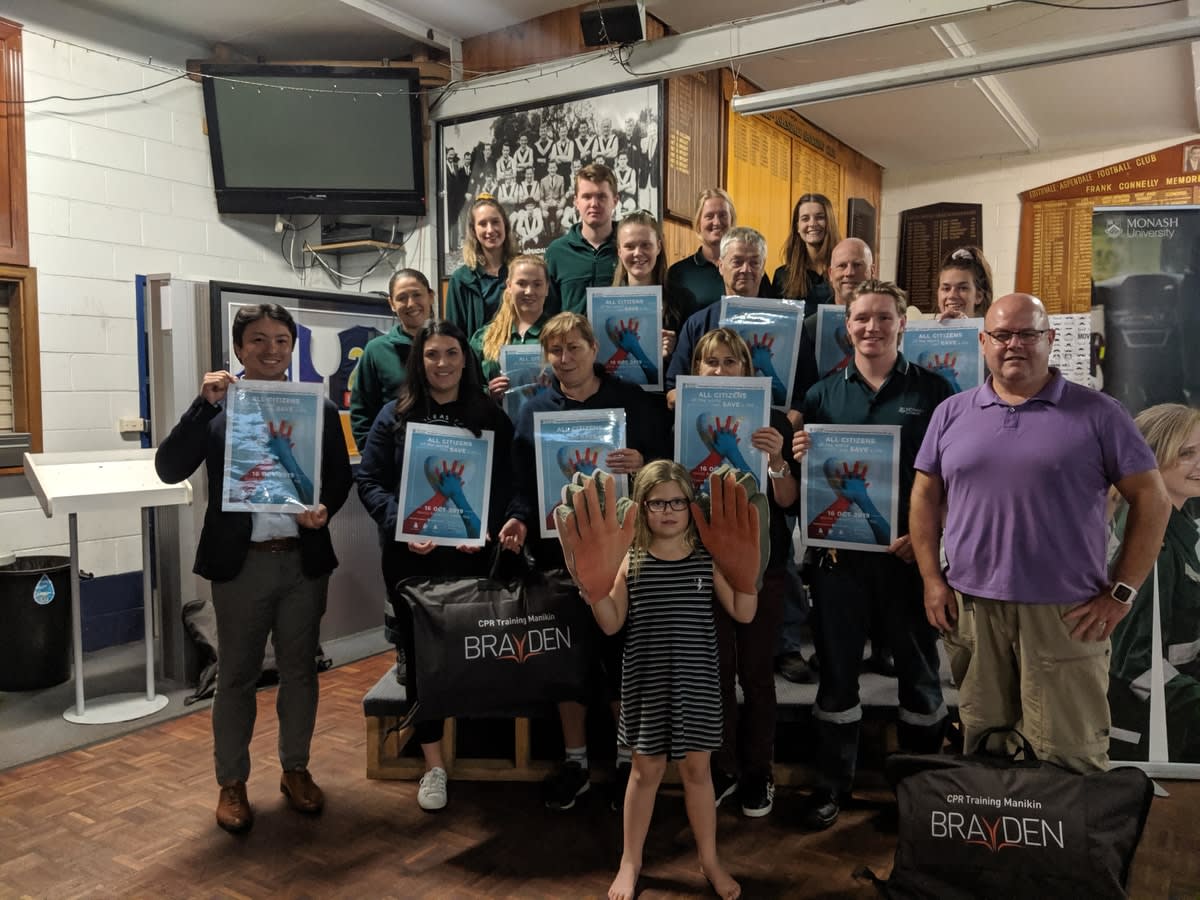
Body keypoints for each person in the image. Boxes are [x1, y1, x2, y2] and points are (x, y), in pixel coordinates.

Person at [910, 292, 1171, 775]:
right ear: (983, 342)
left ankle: (1071, 828)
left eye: (1027, 334)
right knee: (985, 743)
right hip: (974, 608)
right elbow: (924, 497)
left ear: (1049, 339)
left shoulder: (1100, 413)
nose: (1014, 344)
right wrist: (931, 579)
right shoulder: (951, 412)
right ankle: (997, 826)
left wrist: (1121, 592)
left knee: (1069, 754)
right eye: (1002, 335)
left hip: (1066, 613)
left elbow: (1153, 500)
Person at [154, 303, 353, 834]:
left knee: (300, 672)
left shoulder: (317, 407)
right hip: (241, 565)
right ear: (239, 348)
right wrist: (201, 405)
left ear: (293, 347)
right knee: (236, 676)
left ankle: (296, 769)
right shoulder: (219, 408)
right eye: (259, 340)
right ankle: (232, 783)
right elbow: (169, 468)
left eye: (282, 340)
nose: (271, 350)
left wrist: (324, 509)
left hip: (302, 562)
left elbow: (338, 478)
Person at [792, 279, 953, 830]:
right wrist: (801, 454)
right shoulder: (820, 395)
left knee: (920, 678)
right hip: (840, 565)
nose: (872, 328)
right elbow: (810, 485)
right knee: (837, 677)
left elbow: (953, 478)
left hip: (910, 561)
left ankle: (920, 795)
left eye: (884, 317)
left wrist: (929, 536)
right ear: (847, 326)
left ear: (902, 324)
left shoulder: (935, 391)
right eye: (862, 318)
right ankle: (831, 786)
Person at [499, 312, 669, 811]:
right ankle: (574, 762)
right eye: (556, 350)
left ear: (594, 348)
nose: (565, 358)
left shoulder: (630, 402)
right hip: (557, 554)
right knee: (566, 660)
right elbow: (522, 483)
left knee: (620, 659)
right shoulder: (534, 411)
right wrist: (519, 519)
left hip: (624, 553)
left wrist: (642, 463)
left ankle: (625, 761)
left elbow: (668, 469)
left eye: (574, 347)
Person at [564, 465, 758, 900]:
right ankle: (630, 860)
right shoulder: (630, 559)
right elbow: (611, 623)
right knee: (645, 771)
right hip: (646, 682)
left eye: (676, 502)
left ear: (690, 506)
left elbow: (744, 613)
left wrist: (748, 578)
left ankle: (710, 859)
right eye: (657, 503)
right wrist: (594, 591)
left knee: (697, 772)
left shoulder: (707, 557)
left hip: (698, 681)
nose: (667, 511)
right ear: (642, 506)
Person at [356, 320, 516, 813]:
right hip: (411, 559)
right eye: (431, 354)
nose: (442, 363)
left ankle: (476, 743)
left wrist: (485, 527)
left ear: (465, 359)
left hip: (472, 557)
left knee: (472, 653)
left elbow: (509, 486)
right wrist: (401, 524)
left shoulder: (490, 416)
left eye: (451, 353)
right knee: (421, 659)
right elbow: (369, 481)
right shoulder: (394, 415)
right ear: (418, 361)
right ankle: (433, 764)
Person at [687, 329, 800, 818]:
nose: (720, 370)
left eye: (730, 362)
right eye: (710, 362)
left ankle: (758, 772)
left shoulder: (773, 421)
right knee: (714, 675)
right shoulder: (682, 419)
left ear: (748, 370)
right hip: (701, 562)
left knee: (756, 674)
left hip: (761, 563)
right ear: (696, 369)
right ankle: (723, 768)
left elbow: (788, 502)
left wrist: (776, 460)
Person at [1108, 403, 1200, 762]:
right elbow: (1135, 663)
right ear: (1150, 458)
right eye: (1186, 454)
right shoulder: (1151, 543)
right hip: (1148, 736)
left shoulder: (1177, 526)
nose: (1199, 463)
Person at [666, 227, 786, 401]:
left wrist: (793, 414)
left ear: (763, 267)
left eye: (754, 262)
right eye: (737, 262)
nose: (746, 269)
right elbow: (672, 389)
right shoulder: (698, 323)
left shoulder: (787, 323)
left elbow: (803, 391)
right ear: (721, 266)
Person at [348, 269, 434, 452]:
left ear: (431, 296)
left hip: (445, 454)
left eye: (417, 295)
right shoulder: (376, 351)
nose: (411, 303)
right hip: (393, 459)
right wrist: (372, 455)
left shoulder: (453, 346)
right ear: (392, 304)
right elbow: (361, 411)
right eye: (402, 298)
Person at [667, 188, 766, 318]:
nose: (717, 222)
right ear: (698, 223)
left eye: (723, 215)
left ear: (732, 220)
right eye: (709, 216)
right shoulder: (679, 273)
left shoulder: (752, 272)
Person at [611, 209, 685, 367]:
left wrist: (675, 351)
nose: (638, 253)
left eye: (645, 245)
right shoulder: (604, 304)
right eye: (629, 246)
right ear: (619, 251)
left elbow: (689, 362)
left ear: (658, 247)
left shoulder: (682, 301)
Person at [545, 163, 619, 316]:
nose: (594, 204)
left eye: (601, 196)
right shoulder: (557, 252)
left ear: (615, 201)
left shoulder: (630, 249)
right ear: (576, 202)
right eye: (586, 197)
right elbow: (548, 315)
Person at [445, 196, 518, 343]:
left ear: (505, 225)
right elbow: (453, 335)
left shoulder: (524, 270)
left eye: (495, 222)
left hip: (521, 354)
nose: (490, 230)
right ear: (473, 230)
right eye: (483, 224)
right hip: (478, 356)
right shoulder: (461, 279)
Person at [471, 254, 551, 388]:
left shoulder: (560, 334)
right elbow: (467, 386)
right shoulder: (484, 337)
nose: (529, 291)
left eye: (537, 284)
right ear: (508, 286)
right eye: (521, 283)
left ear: (547, 288)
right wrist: (488, 393)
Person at [772, 193, 840, 318]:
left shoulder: (844, 272)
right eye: (805, 218)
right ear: (797, 227)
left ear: (830, 223)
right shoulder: (783, 276)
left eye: (820, 217)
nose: (812, 223)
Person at [935, 245, 993, 321]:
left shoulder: (990, 328)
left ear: (978, 296)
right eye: (946, 288)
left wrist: (965, 325)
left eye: (962, 288)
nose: (952, 295)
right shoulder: (923, 328)